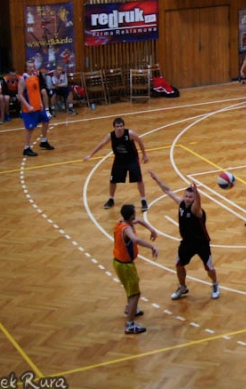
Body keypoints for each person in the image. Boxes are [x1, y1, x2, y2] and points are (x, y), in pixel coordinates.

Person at [149, 171, 220, 301]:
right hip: (187, 242)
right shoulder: (182, 204)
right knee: (179, 264)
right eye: (186, 196)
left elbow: (198, 204)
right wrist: (157, 180)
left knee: (208, 267)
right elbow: (168, 191)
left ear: (194, 199)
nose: (187, 199)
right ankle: (182, 287)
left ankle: (215, 284)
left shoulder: (196, 210)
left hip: (201, 243)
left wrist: (197, 193)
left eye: (190, 197)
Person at [84, 117, 149, 211]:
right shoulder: (111, 136)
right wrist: (90, 155)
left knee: (138, 179)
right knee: (113, 180)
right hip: (119, 160)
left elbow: (140, 141)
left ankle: (143, 200)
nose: (119, 128)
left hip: (132, 159)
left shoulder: (129, 133)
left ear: (123, 126)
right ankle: (111, 199)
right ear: (114, 127)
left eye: (121, 126)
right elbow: (101, 144)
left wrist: (144, 155)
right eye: (117, 126)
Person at [112, 203, 158, 335]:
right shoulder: (127, 229)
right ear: (131, 216)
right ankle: (130, 325)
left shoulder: (121, 222)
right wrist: (152, 246)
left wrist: (151, 229)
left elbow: (140, 221)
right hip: (125, 265)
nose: (136, 216)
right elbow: (135, 239)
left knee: (131, 286)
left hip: (118, 262)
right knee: (135, 294)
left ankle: (130, 308)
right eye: (134, 213)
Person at [17, 60, 55, 156]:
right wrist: (28, 105)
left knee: (46, 121)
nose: (32, 69)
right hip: (29, 108)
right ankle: (26, 148)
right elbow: (20, 95)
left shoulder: (35, 76)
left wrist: (41, 102)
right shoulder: (23, 79)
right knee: (30, 129)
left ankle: (44, 141)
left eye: (33, 67)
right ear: (26, 68)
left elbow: (37, 91)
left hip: (38, 106)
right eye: (30, 67)